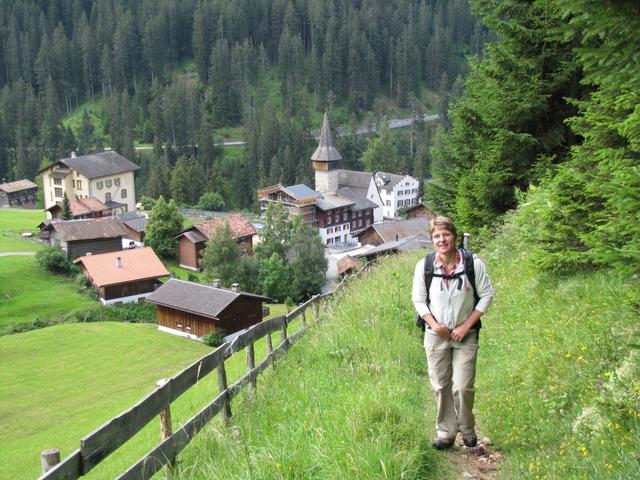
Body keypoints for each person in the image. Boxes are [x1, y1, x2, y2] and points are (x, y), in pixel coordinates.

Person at [412, 216, 494, 450]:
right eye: (436, 236)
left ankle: (467, 427)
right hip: (435, 335)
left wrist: (466, 326)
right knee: (440, 385)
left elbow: (487, 294)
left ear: (455, 237)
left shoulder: (472, 264)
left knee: (462, 385)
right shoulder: (424, 266)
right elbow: (418, 299)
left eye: (446, 234)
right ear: (432, 240)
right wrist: (434, 325)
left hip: (465, 335)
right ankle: (446, 433)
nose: (442, 239)